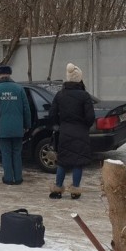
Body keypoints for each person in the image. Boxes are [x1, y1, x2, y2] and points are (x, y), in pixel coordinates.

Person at [48, 63, 95, 200]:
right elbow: (90, 117)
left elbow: (52, 115)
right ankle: (75, 190)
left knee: (62, 161)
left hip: (64, 132)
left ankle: (57, 188)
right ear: (79, 78)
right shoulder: (84, 96)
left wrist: (58, 126)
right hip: (80, 132)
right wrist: (85, 126)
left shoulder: (59, 95)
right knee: (77, 163)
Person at [0, 65, 31, 185]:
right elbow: (26, 109)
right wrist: (27, 125)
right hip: (17, 128)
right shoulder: (19, 89)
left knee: (5, 154)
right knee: (16, 153)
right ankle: (18, 178)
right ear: (10, 74)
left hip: (1, 128)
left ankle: (8, 178)